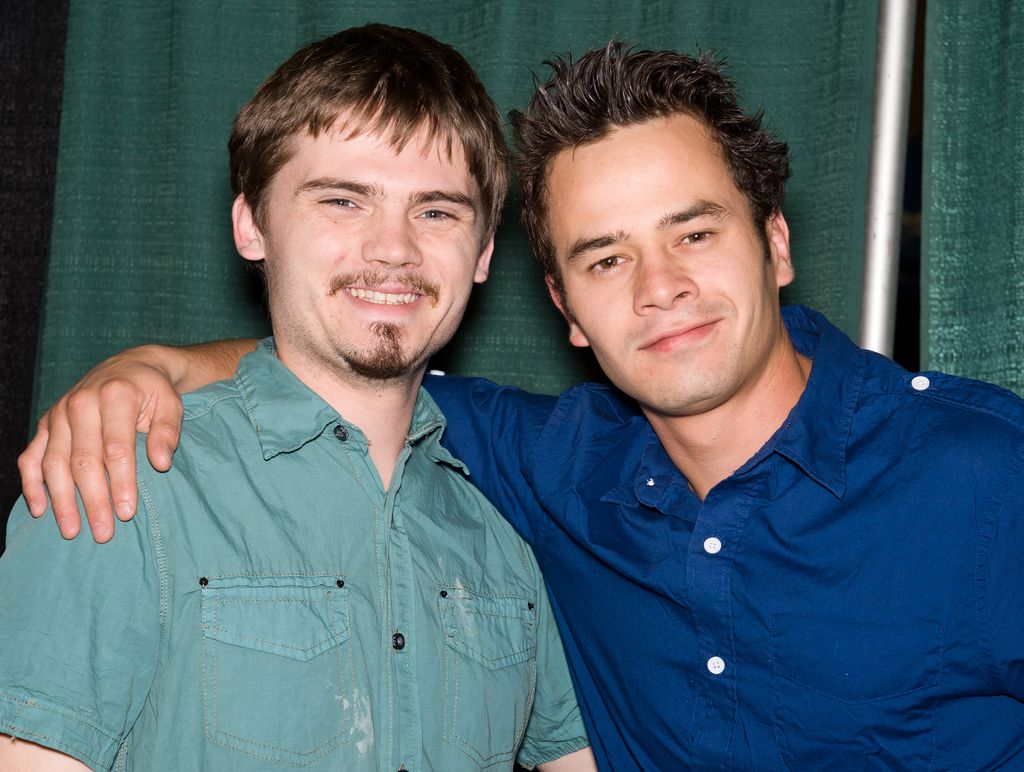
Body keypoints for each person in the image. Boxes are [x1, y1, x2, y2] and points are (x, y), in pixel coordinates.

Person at [19, 41, 1024, 770]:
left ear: (775, 245)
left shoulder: (986, 474)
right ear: (563, 306)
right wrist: (153, 365)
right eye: (604, 255)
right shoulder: (546, 471)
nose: (656, 285)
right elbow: (360, 357)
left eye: (694, 233)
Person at [0, 24, 595, 771]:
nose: (394, 249)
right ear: (252, 224)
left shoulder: (506, 532)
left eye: (437, 211)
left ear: (481, 255)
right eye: (344, 201)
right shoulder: (120, 483)